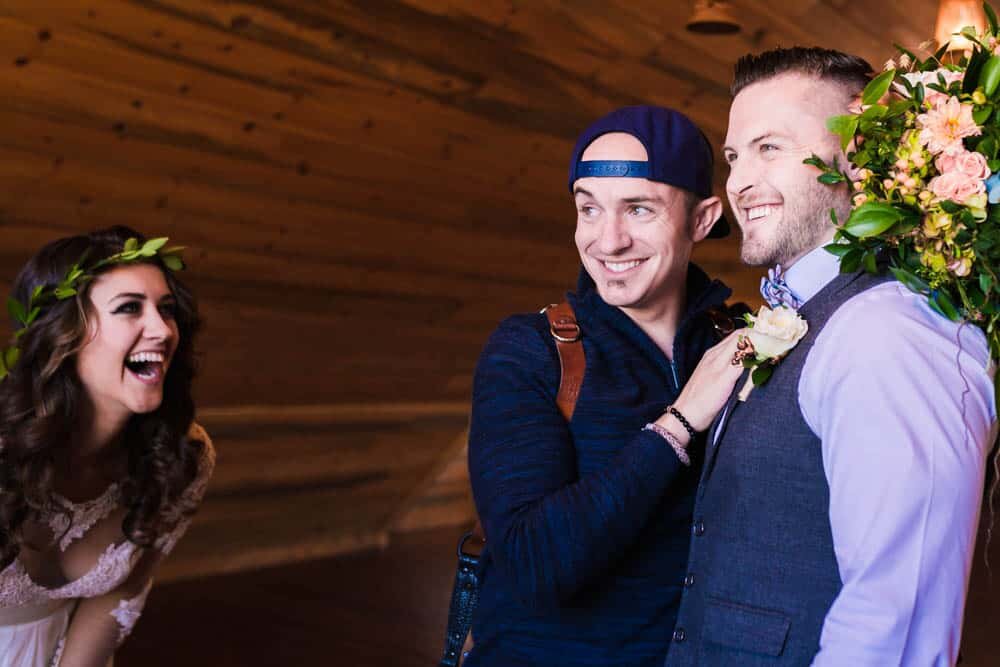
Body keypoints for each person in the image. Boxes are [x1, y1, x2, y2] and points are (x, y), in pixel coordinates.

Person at [664, 47, 998, 666]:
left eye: (771, 148)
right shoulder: (804, 314)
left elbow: (893, 625)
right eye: (735, 156)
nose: (739, 180)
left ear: (856, 155)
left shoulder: (886, 330)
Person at [464, 106, 747, 667]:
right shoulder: (532, 351)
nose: (607, 241)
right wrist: (679, 424)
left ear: (702, 219)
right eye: (588, 208)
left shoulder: (736, 343)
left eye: (638, 208)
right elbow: (534, 565)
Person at [0, 226, 215, 666]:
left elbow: (113, 604)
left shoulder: (180, 456)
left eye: (167, 309)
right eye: (129, 308)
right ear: (66, 333)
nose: (161, 329)